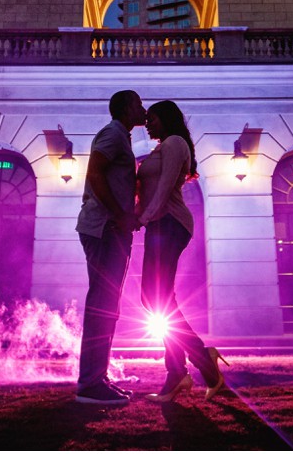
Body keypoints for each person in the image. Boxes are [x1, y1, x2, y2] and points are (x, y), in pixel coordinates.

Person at [136, 100, 227, 403]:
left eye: (152, 118)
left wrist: (144, 217)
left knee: (153, 295)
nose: (147, 123)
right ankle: (183, 369)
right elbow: (149, 189)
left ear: (167, 118)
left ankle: (192, 365)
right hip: (159, 224)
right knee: (157, 297)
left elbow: (163, 189)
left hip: (169, 223)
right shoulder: (164, 146)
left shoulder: (175, 143)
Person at [73, 89, 146, 405]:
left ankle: (97, 378)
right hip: (104, 228)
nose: (143, 110)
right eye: (140, 105)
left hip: (110, 229)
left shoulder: (121, 136)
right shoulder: (113, 133)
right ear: (129, 108)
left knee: (107, 303)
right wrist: (119, 214)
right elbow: (95, 172)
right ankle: (90, 384)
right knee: (103, 303)